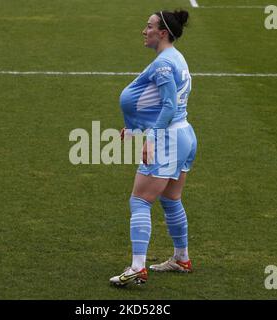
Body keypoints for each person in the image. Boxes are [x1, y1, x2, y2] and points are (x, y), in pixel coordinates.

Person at [110, 9, 197, 286]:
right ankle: (181, 258)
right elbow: (165, 103)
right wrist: (137, 127)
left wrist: (150, 137)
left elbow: (169, 105)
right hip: (184, 135)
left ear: (162, 33)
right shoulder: (175, 58)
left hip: (167, 140)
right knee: (171, 200)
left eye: (148, 26)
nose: (143, 31)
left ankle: (137, 268)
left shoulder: (162, 64)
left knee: (139, 201)